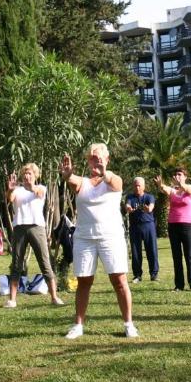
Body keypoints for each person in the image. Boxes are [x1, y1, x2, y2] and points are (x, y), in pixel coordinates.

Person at [61, 143, 138, 339]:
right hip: (85, 238)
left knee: (119, 281)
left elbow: (116, 183)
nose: (97, 161)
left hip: (110, 236)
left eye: (101, 157)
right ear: (88, 161)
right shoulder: (81, 182)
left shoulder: (114, 180)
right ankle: (78, 325)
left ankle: (129, 324)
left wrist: (105, 173)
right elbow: (71, 179)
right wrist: (68, 174)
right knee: (83, 281)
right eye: (93, 158)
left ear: (108, 159)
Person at [5, 163, 64, 308]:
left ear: (35, 175)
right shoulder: (17, 190)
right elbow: (10, 199)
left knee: (45, 263)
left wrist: (30, 185)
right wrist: (10, 189)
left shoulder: (41, 188)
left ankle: (54, 297)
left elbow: (38, 194)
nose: (26, 176)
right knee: (16, 264)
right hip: (19, 228)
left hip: (37, 228)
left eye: (30, 173)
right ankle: (12, 300)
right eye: (25, 173)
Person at [155, 168, 191, 291]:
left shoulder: (190, 188)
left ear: (185, 176)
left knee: (189, 255)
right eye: (175, 174)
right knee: (176, 256)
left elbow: (188, 189)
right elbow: (165, 188)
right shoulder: (173, 191)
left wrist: (180, 184)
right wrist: (160, 185)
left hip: (187, 225)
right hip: (173, 225)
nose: (177, 176)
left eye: (180, 174)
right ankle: (179, 285)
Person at [124, 177, 159, 283]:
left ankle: (154, 274)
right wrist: (128, 208)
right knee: (135, 252)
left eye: (139, 185)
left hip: (148, 226)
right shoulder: (130, 197)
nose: (137, 187)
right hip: (135, 227)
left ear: (143, 186)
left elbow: (151, 206)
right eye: (135, 185)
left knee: (151, 250)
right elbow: (127, 205)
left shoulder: (149, 197)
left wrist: (148, 209)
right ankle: (137, 275)